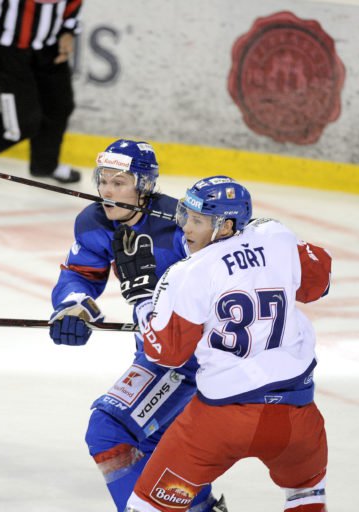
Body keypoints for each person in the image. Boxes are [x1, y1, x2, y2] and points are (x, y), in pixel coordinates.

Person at [118, 176, 331, 512]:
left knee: (145, 506)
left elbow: (167, 354)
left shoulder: (188, 272)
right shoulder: (276, 238)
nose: (186, 228)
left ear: (227, 225)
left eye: (198, 221)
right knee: (306, 494)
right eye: (185, 215)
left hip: (221, 423)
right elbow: (319, 284)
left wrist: (144, 301)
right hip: (297, 421)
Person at [48, 140, 227, 512]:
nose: (107, 191)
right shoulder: (95, 222)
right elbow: (80, 274)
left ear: (143, 185)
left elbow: (218, 287)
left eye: (119, 182)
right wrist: (74, 307)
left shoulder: (182, 225)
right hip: (156, 354)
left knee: (111, 430)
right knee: (161, 445)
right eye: (103, 181)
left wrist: (154, 294)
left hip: (195, 358)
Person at [0, 0, 82, 188]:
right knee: (23, 120)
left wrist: (67, 31)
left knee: (59, 105)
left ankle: (45, 165)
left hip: (50, 47)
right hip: (8, 49)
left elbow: (72, 4)